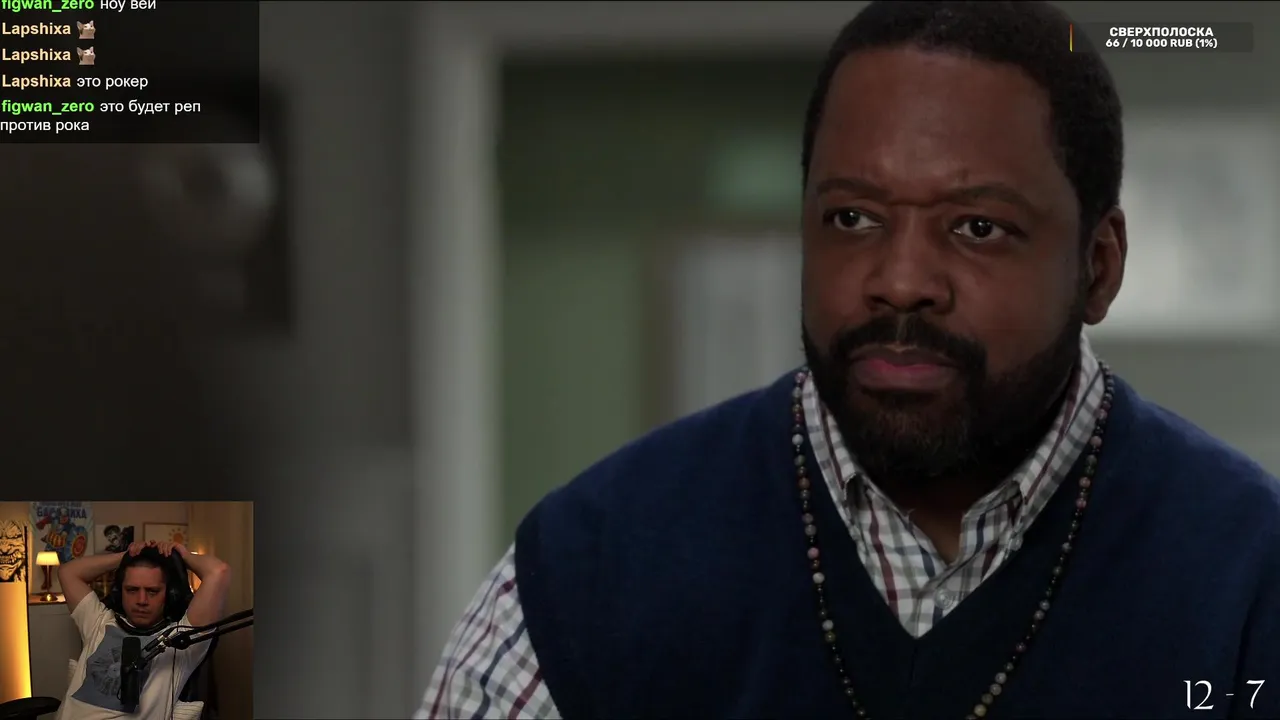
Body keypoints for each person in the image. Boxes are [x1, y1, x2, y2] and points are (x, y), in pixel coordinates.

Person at [418, 2, 1280, 718]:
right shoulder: (595, 569)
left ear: (1098, 267)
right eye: (852, 219)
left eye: (977, 227)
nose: (900, 282)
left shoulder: (1248, 581)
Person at [56, 539, 232, 720]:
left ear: (169, 594)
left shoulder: (181, 640)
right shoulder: (97, 621)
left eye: (152, 591)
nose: (141, 600)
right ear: (120, 592)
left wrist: (181, 556)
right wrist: (126, 556)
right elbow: (68, 572)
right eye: (132, 590)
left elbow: (218, 571)